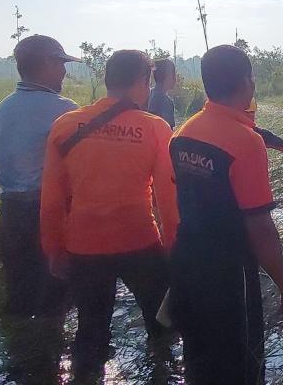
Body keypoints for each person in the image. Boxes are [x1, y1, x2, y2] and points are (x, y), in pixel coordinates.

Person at [41, 50, 178, 378]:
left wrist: (54, 250)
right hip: (141, 243)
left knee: (90, 330)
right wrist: (174, 249)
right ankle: (162, 371)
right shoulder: (156, 129)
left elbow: (52, 201)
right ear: (143, 83)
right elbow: (168, 200)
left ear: (107, 80)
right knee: (162, 324)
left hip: (84, 247)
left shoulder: (66, 125)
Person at [168, 44, 283, 384]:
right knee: (241, 367)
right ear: (246, 82)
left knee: (198, 361)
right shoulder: (246, 141)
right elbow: (260, 228)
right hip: (229, 277)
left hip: (186, 266)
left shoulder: (182, 134)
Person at [0, 35, 80, 318]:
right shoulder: (65, 110)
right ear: (47, 64)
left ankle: (22, 356)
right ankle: (51, 357)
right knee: (56, 297)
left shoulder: (5, 107)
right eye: (61, 63)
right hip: (48, 213)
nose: (64, 71)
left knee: (19, 297)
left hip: (11, 214)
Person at [147, 57, 177, 127]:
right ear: (168, 76)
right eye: (174, 75)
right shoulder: (166, 102)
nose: (175, 79)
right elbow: (168, 130)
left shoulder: (148, 94)